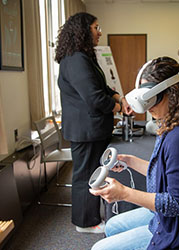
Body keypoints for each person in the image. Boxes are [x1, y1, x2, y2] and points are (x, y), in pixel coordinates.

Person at [90, 57, 179, 250]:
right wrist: (129, 161)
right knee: (112, 225)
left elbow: (176, 204)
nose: (147, 107)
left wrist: (124, 194)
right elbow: (164, 173)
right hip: (167, 220)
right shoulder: (170, 123)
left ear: (173, 92)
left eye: (152, 98)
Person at [54, 12, 132, 233]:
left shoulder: (83, 57)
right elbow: (95, 98)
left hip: (90, 129)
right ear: (83, 30)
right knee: (85, 176)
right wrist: (118, 108)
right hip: (85, 130)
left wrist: (119, 98)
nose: (100, 32)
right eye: (96, 27)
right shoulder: (76, 59)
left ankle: (89, 218)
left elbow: (102, 88)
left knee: (91, 173)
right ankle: (85, 223)